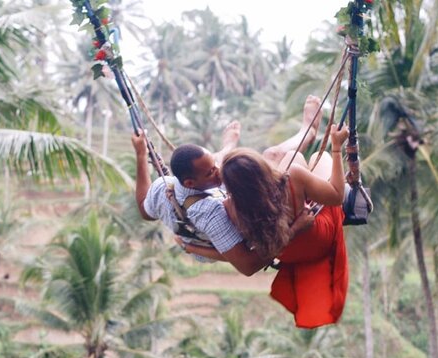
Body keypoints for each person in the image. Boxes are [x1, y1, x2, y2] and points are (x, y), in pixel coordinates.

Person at [181, 124, 350, 328]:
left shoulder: (230, 208)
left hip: (288, 253)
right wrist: (337, 147)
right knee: (317, 158)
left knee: (292, 157)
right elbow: (337, 197)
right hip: (317, 237)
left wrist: (191, 247)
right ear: (261, 166)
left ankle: (305, 173)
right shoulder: (292, 177)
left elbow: (241, 253)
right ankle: (307, 185)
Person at [132, 96, 323, 276]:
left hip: (205, 218)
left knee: (265, 156)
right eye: (210, 172)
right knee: (272, 156)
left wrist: (140, 154)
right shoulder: (212, 214)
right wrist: (296, 228)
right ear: (190, 183)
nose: (218, 171)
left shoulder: (162, 187)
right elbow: (247, 266)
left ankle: (304, 132)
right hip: (231, 239)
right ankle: (309, 131)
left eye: (214, 165)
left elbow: (143, 208)